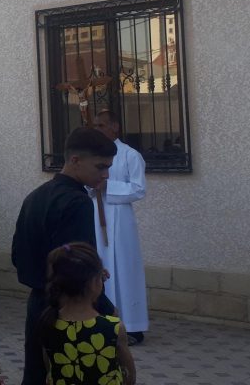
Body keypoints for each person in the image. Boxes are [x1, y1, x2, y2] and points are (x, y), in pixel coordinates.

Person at [12, 127, 117, 385]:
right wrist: (104, 309)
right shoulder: (77, 202)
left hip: (37, 306)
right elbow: (75, 266)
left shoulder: (35, 196)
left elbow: (18, 254)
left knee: (36, 373)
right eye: (100, 167)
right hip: (71, 310)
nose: (105, 175)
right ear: (75, 160)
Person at [38, 242, 136, 385]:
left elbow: (50, 370)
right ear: (94, 283)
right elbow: (130, 377)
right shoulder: (113, 328)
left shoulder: (48, 322)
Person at [92, 110, 149, 345]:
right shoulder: (93, 156)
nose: (97, 129)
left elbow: (138, 188)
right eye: (94, 125)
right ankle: (105, 321)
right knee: (100, 265)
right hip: (97, 214)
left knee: (124, 270)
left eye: (101, 125)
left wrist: (108, 186)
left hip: (120, 219)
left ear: (114, 127)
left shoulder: (130, 155)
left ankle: (132, 326)